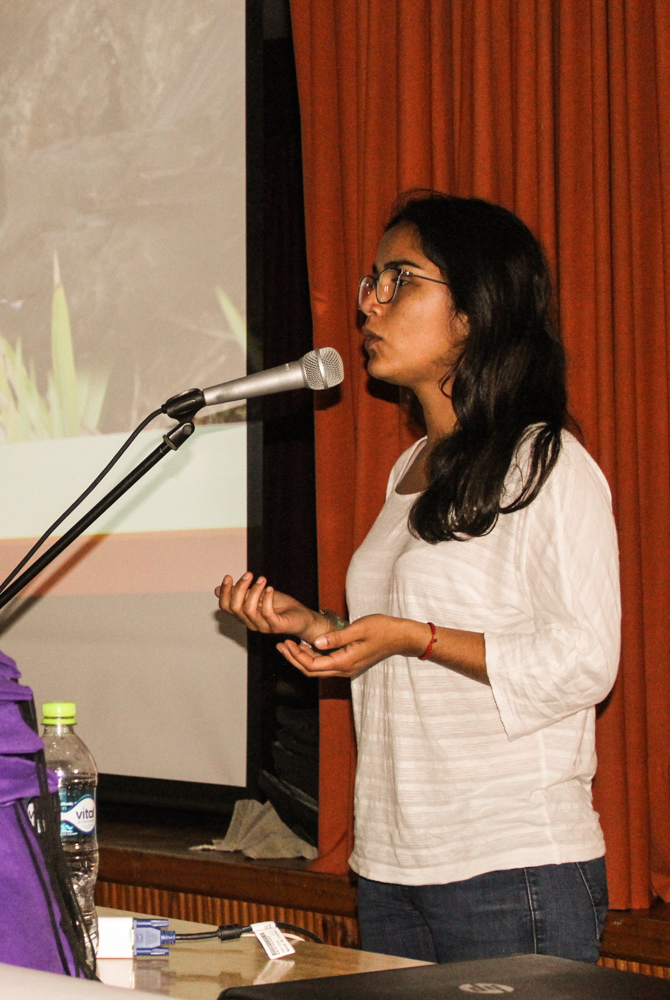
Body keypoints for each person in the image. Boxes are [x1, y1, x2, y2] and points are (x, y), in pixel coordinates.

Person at [216, 193, 620, 964]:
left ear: (474, 309)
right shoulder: (409, 469)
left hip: (513, 867)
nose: (370, 303)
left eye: (399, 280)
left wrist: (413, 636)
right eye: (372, 282)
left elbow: (586, 660)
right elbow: (405, 648)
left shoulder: (547, 464)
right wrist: (318, 628)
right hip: (392, 865)